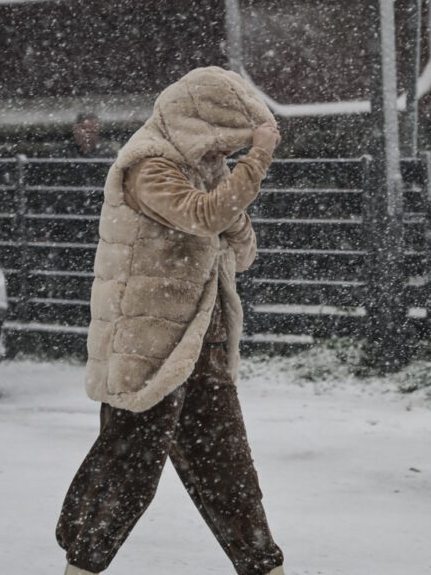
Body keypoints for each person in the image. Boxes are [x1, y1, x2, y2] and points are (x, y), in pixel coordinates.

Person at [56, 66, 286, 575]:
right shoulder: (148, 166)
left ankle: (266, 567)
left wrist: (231, 187)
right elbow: (201, 217)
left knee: (231, 474)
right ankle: (80, 567)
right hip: (150, 350)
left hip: (199, 346)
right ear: (194, 126)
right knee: (126, 472)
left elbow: (242, 251)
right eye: (218, 145)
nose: (220, 157)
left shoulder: (204, 171)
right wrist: (257, 160)